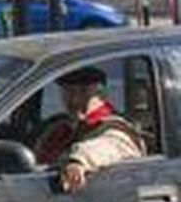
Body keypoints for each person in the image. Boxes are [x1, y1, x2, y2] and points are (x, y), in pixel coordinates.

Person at [30, 66, 144, 194]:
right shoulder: (58, 128)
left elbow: (109, 146)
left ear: (101, 94)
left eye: (84, 92)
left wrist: (77, 160)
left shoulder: (116, 128)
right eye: (69, 92)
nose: (75, 100)